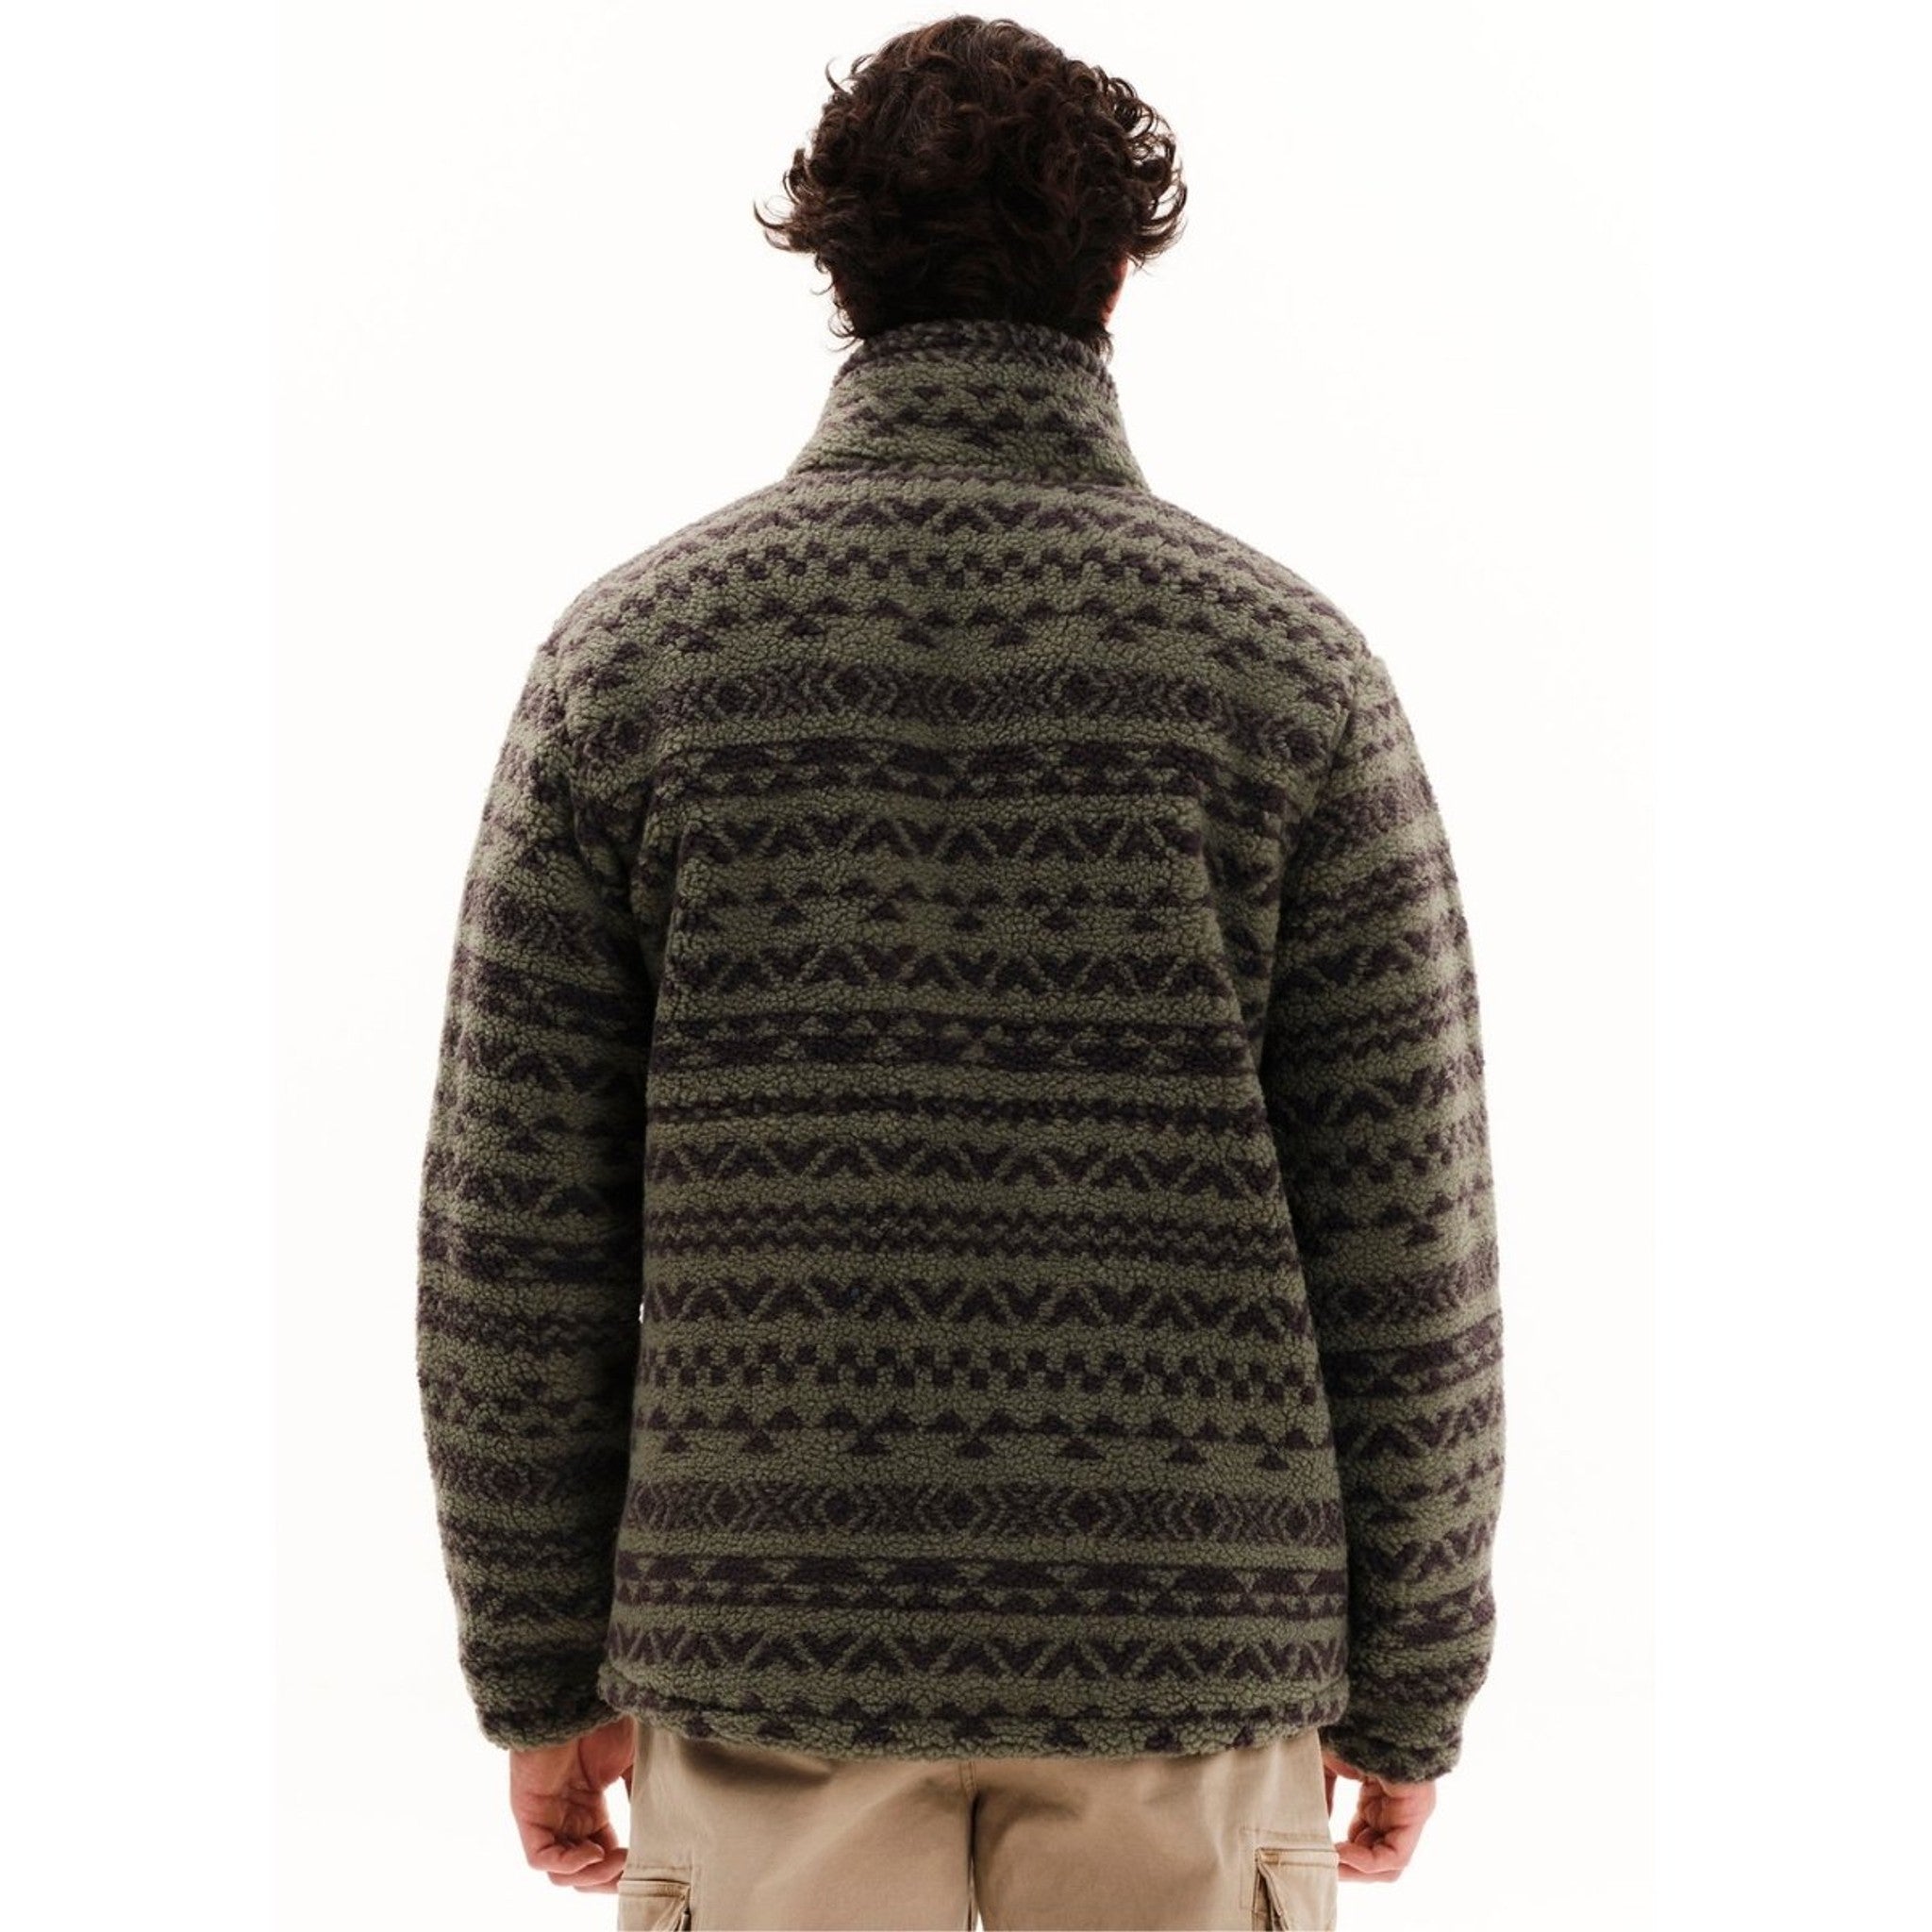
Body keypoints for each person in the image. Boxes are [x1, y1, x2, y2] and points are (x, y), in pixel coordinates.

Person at [415, 14, 1506, 1929]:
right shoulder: (1287, 673)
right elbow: (1406, 1229)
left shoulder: (634, 663)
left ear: (835, 273)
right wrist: (1412, 1678)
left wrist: (539, 1666)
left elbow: (516, 1233)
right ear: (1114, 276)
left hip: (761, 1661)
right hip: (1190, 1668)